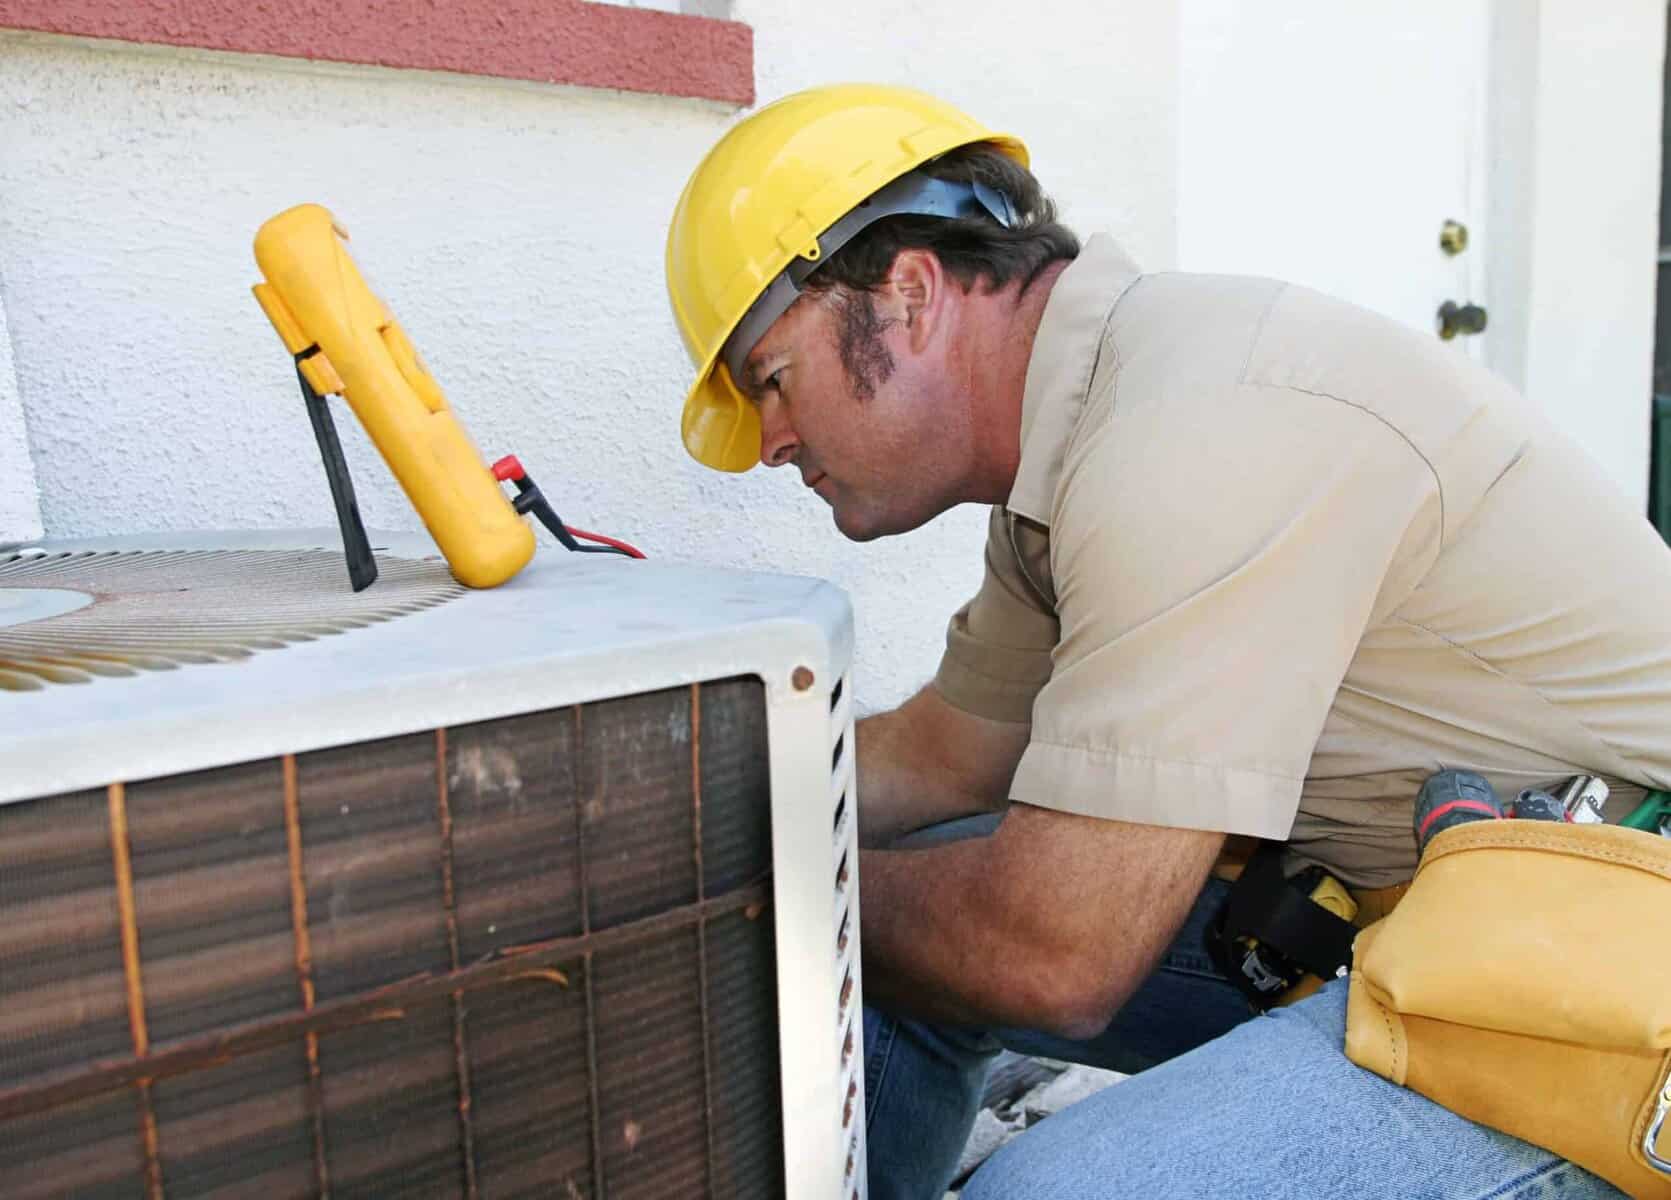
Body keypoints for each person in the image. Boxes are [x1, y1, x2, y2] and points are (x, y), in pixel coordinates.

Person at [664, 83, 1671, 1199]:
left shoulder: (1197, 429)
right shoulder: (1072, 449)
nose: (769, 443)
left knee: (1045, 1192)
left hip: (1610, 967)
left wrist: (731, 881)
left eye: (771, 381)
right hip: (1435, 920)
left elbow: (1054, 954)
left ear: (906, 296)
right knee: (900, 940)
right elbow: (946, 755)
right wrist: (705, 800)